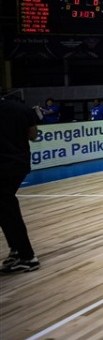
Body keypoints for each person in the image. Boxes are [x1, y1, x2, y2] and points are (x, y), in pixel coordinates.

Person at [0, 96, 41, 274]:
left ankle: (27, 257)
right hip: (19, 164)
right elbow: (33, 135)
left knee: (9, 211)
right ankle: (17, 250)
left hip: (2, 166)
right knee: (5, 210)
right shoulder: (22, 109)